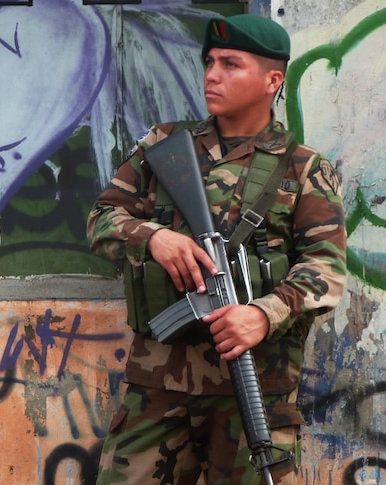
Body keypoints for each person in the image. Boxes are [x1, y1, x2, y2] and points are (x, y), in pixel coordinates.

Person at [88, 14, 347, 485]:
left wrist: (264, 313)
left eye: (230, 63)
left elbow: (325, 270)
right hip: (157, 390)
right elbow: (101, 219)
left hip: (255, 391)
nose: (211, 74)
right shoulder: (164, 147)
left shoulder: (304, 168)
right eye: (209, 62)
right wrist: (154, 238)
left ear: (273, 80)